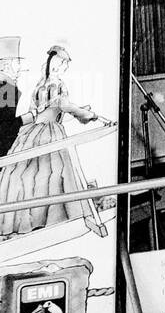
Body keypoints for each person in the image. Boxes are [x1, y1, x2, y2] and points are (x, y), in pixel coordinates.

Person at [0, 43, 105, 239]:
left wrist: (80, 112)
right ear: (57, 65)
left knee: (28, 175)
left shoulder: (39, 85)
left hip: (32, 132)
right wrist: (87, 114)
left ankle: (27, 221)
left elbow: (47, 110)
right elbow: (65, 106)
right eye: (64, 64)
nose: (65, 68)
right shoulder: (57, 84)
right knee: (56, 172)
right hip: (49, 133)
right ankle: (51, 219)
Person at [0, 35, 24, 161]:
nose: (20, 68)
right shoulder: (7, 88)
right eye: (17, 62)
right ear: (5, 65)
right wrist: (26, 118)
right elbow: (5, 128)